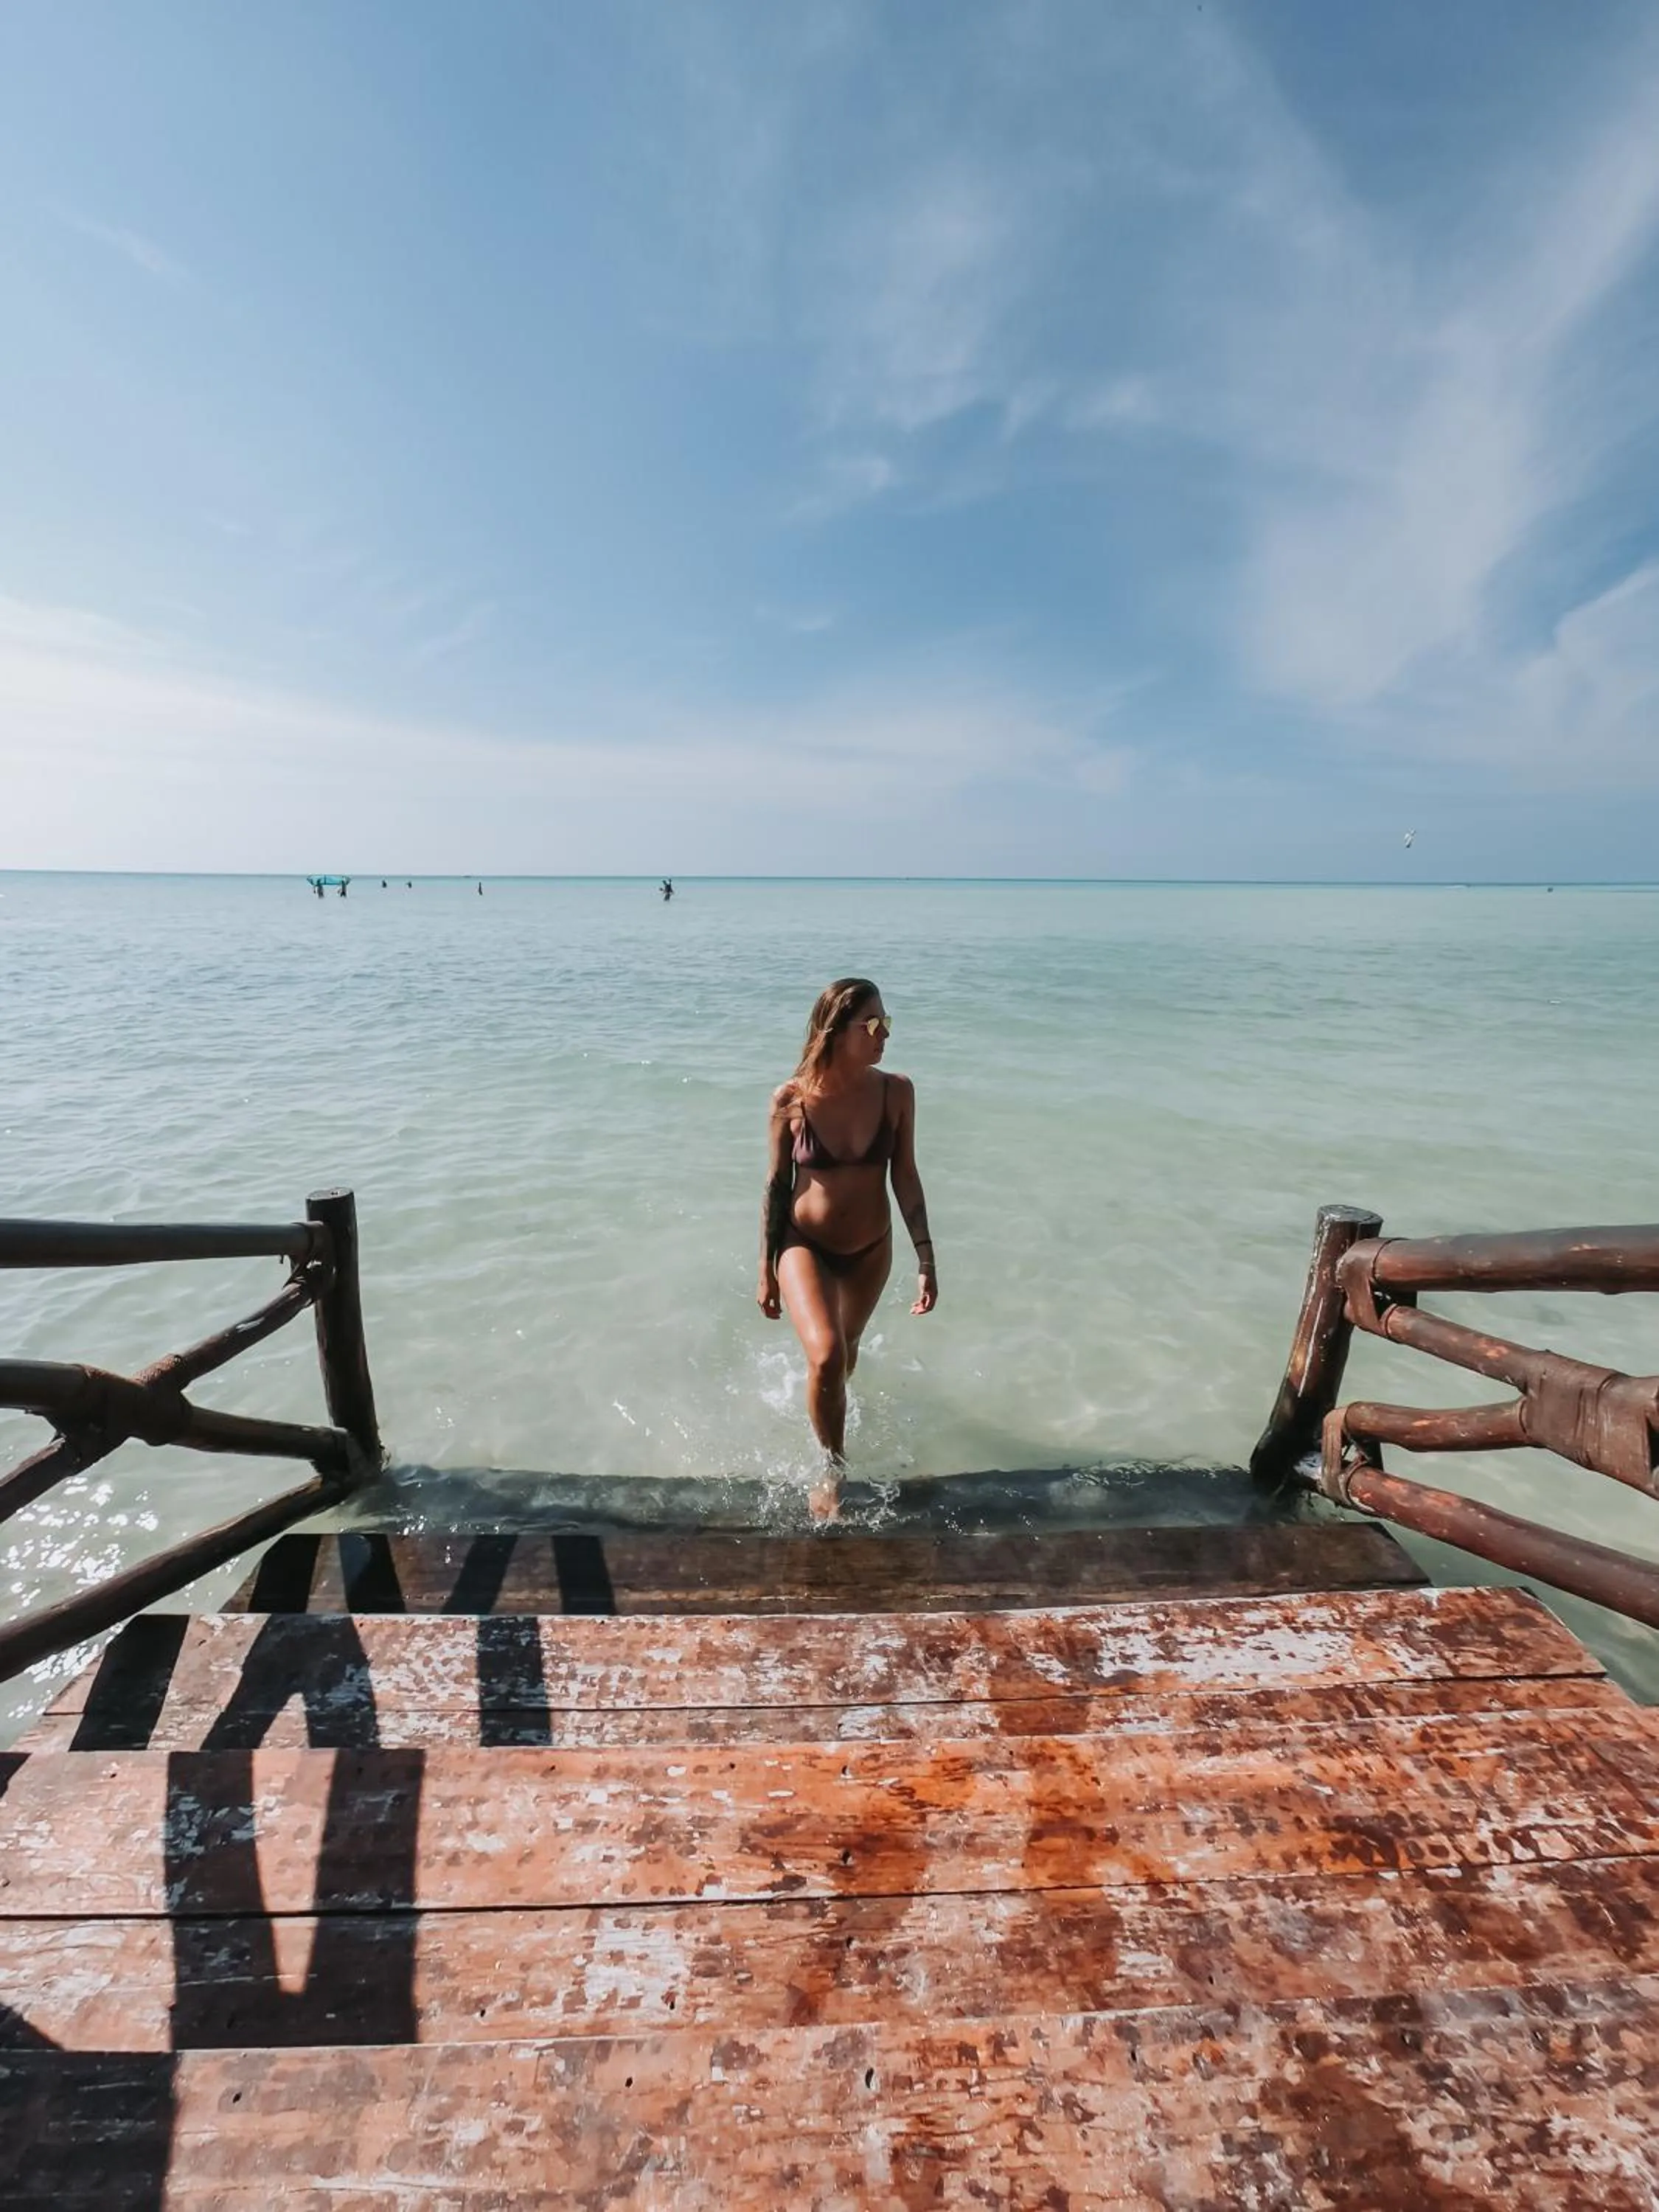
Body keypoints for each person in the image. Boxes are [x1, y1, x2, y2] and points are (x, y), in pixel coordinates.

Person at [757, 978, 937, 1518]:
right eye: (874, 1025)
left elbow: (905, 1175)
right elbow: (776, 1185)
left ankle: (822, 1400)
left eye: (888, 1023)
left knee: (843, 1357)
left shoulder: (896, 1092)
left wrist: (926, 1257)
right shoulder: (790, 1100)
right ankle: (831, 1472)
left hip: (870, 1252)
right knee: (830, 1356)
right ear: (838, 1031)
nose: (885, 1035)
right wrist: (766, 1269)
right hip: (802, 1244)